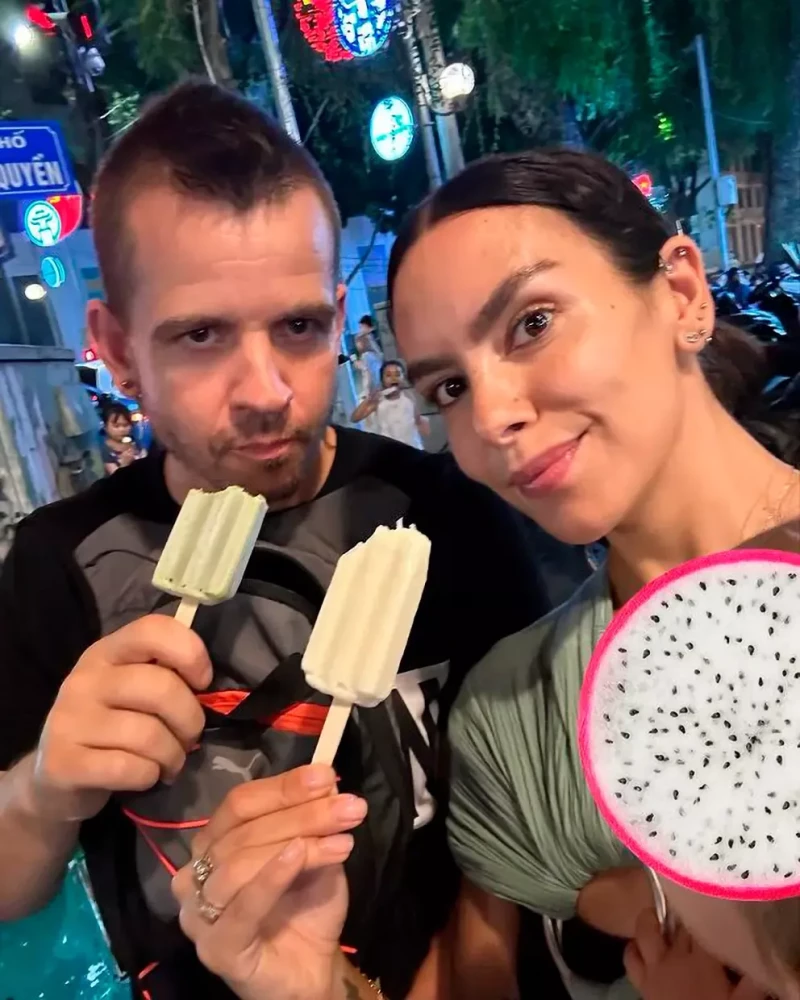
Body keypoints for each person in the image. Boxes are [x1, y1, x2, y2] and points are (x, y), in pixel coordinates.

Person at [0, 84, 552, 1000]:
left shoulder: (448, 517)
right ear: (118, 348)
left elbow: (520, 857)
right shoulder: (61, 565)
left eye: (299, 326)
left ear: (338, 314)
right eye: (201, 336)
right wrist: (44, 788)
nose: (266, 390)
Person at [384, 149, 800, 998]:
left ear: (681, 293)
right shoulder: (512, 718)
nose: (494, 416)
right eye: (450, 388)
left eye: (532, 323)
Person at [351, 360, 429, 450]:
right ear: (382, 380)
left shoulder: (409, 397)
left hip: (412, 448)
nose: (393, 378)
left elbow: (418, 420)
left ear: (403, 377)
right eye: (388, 375)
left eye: (397, 374)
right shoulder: (378, 401)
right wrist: (369, 400)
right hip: (390, 450)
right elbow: (355, 418)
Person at [352, 315, 384, 434]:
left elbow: (371, 376)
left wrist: (370, 395)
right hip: (375, 392)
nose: (357, 345)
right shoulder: (375, 354)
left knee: (373, 428)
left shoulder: (368, 356)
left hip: (371, 394)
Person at [101, 401, 145, 474]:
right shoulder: (106, 450)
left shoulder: (134, 441)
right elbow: (116, 478)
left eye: (125, 425)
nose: (122, 430)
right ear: (105, 427)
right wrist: (125, 464)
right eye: (116, 426)